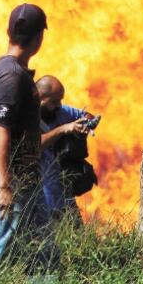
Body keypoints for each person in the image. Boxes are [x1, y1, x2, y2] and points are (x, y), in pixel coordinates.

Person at [0, 3, 56, 272]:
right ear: (38, 38)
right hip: (11, 185)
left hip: (25, 183)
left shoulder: (6, 70)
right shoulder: (11, 76)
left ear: (9, 32)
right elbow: (0, 129)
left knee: (42, 251)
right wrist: (4, 186)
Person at [36, 75, 98, 223]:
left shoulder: (59, 111)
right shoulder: (26, 118)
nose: (59, 105)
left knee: (76, 241)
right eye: (54, 101)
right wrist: (63, 129)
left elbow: (85, 116)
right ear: (39, 98)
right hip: (40, 203)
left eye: (60, 100)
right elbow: (34, 146)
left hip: (65, 197)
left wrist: (87, 123)